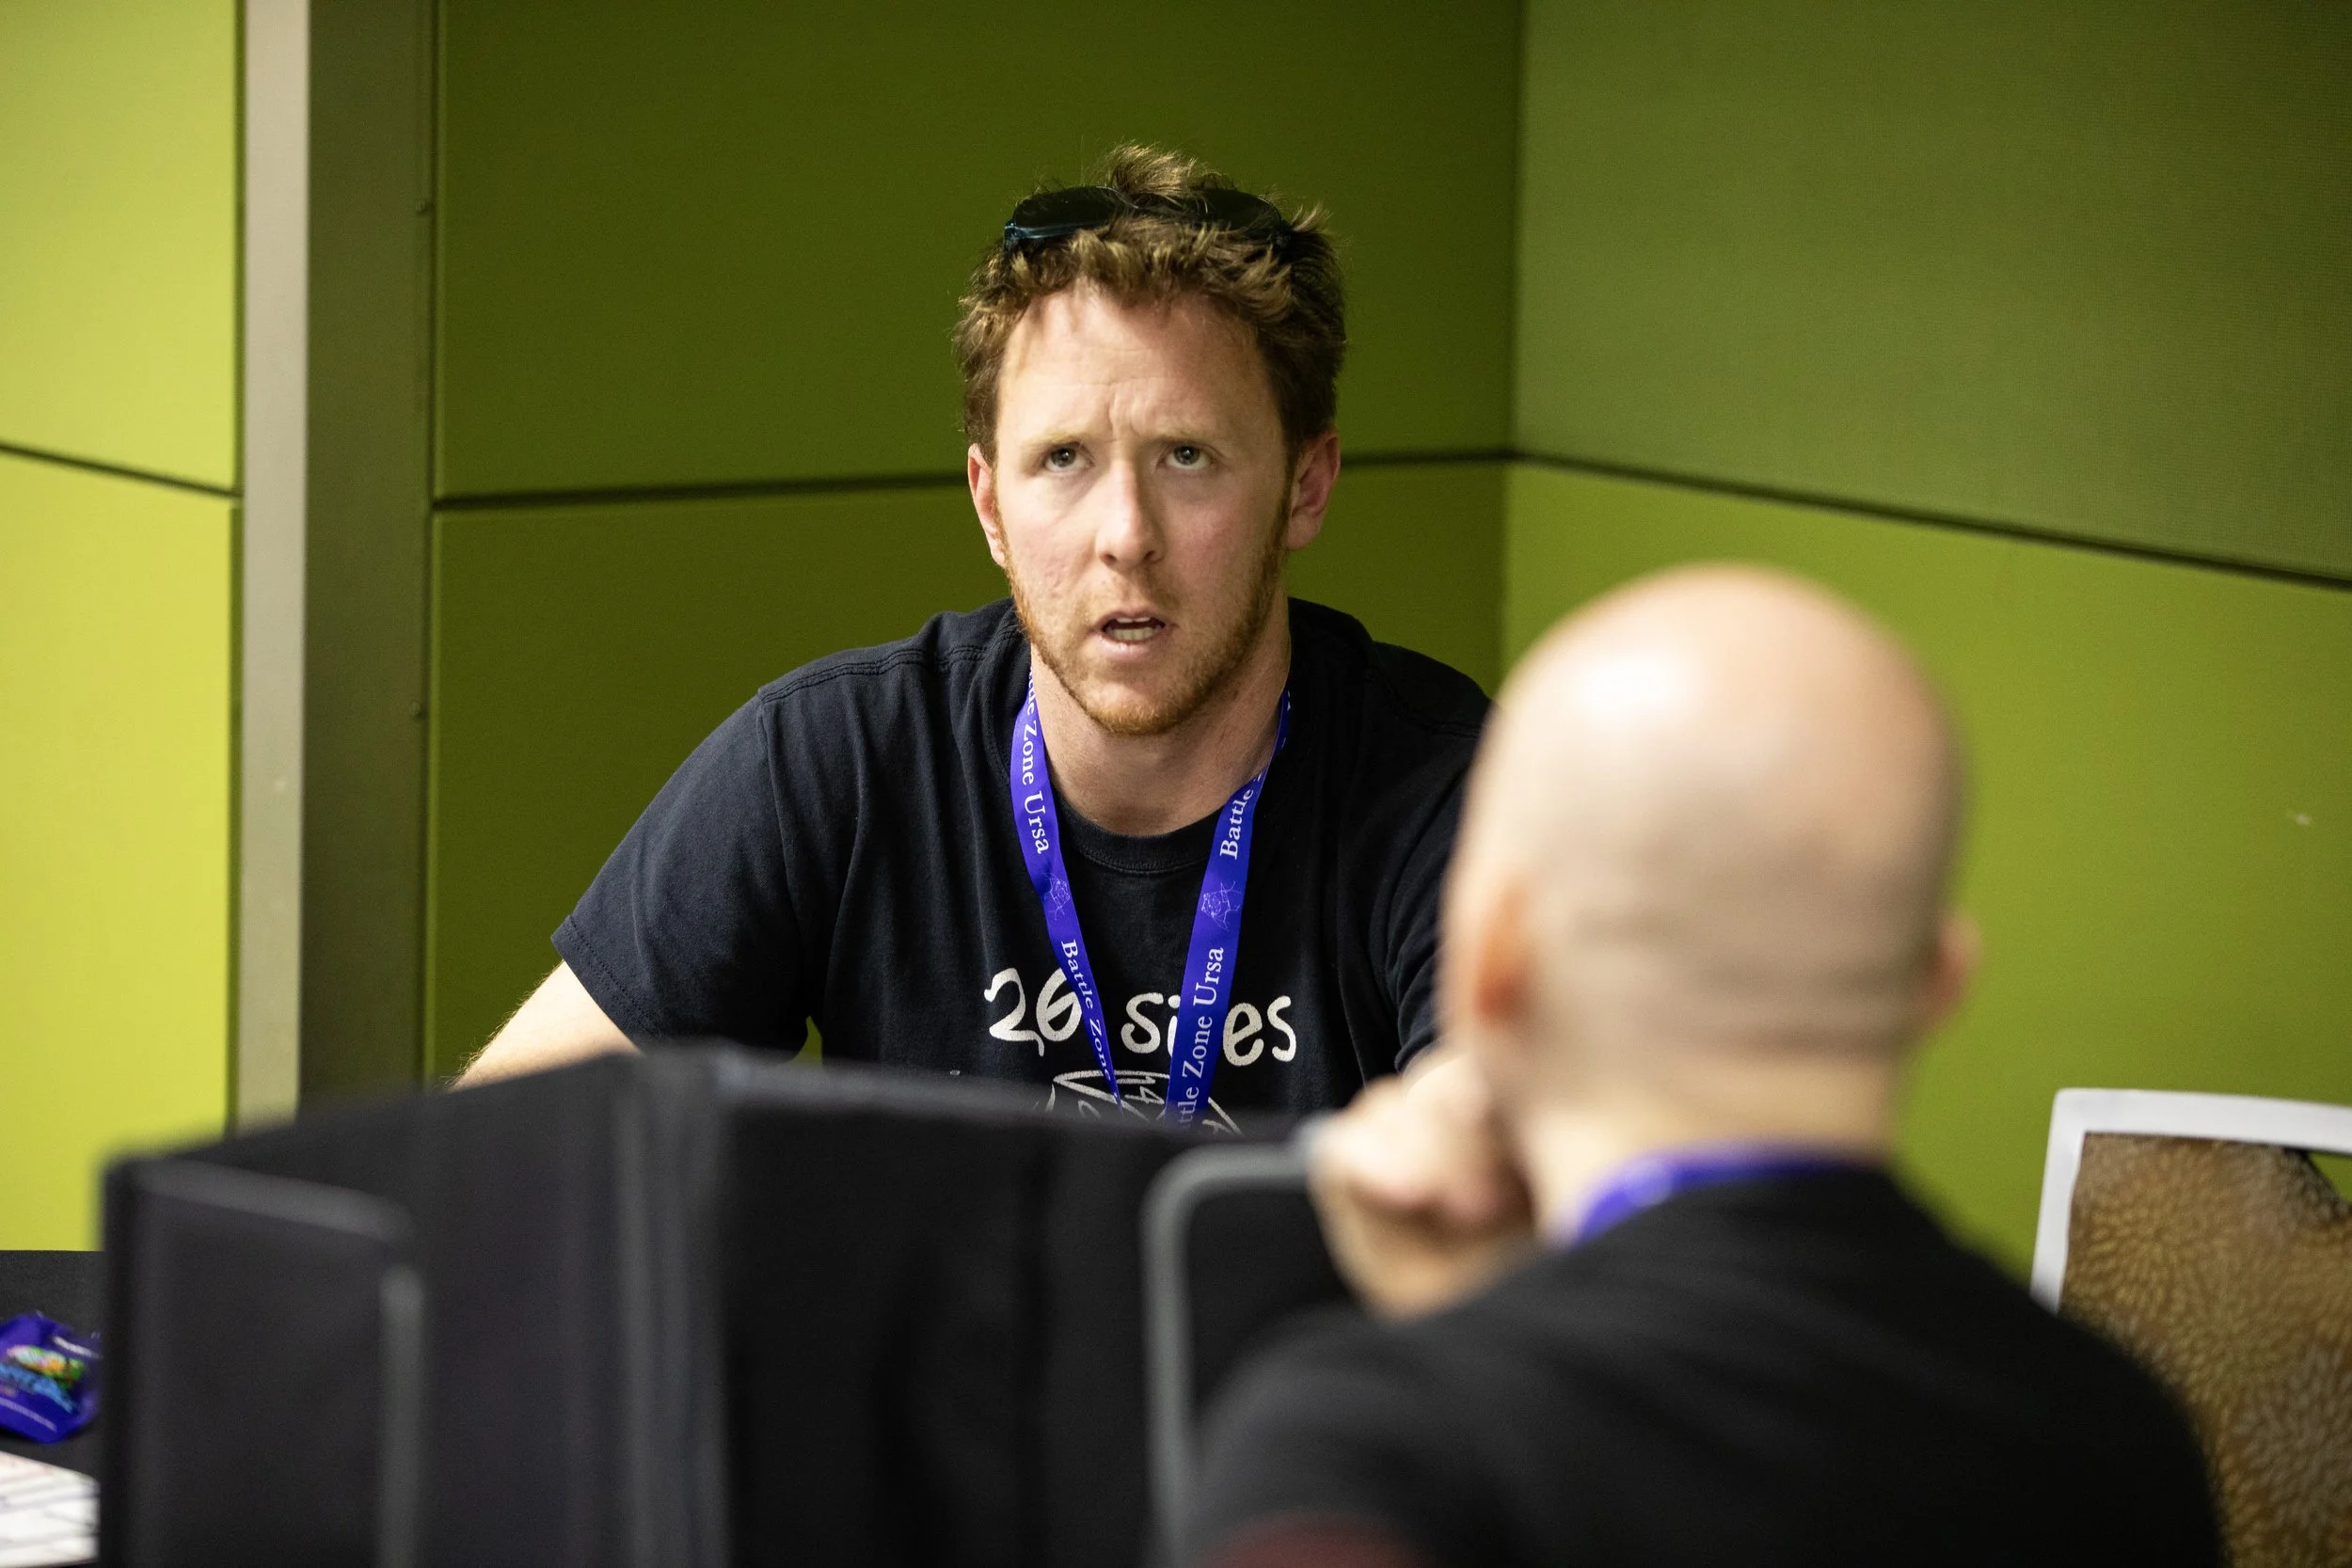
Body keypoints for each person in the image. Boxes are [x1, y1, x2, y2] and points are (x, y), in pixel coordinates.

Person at [1184, 566, 2219, 1566]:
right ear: (1937, 981)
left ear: (1493, 961)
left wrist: (1448, 1351)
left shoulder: (1361, 1459)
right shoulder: (2120, 1439)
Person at [458, 146, 1488, 1128]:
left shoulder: (1452, 792)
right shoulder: (837, 763)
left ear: (1305, 485)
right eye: (1064, 459)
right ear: (990, 505)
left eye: (1186, 454)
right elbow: (496, 1147)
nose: (1125, 535)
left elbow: (1514, 1158)